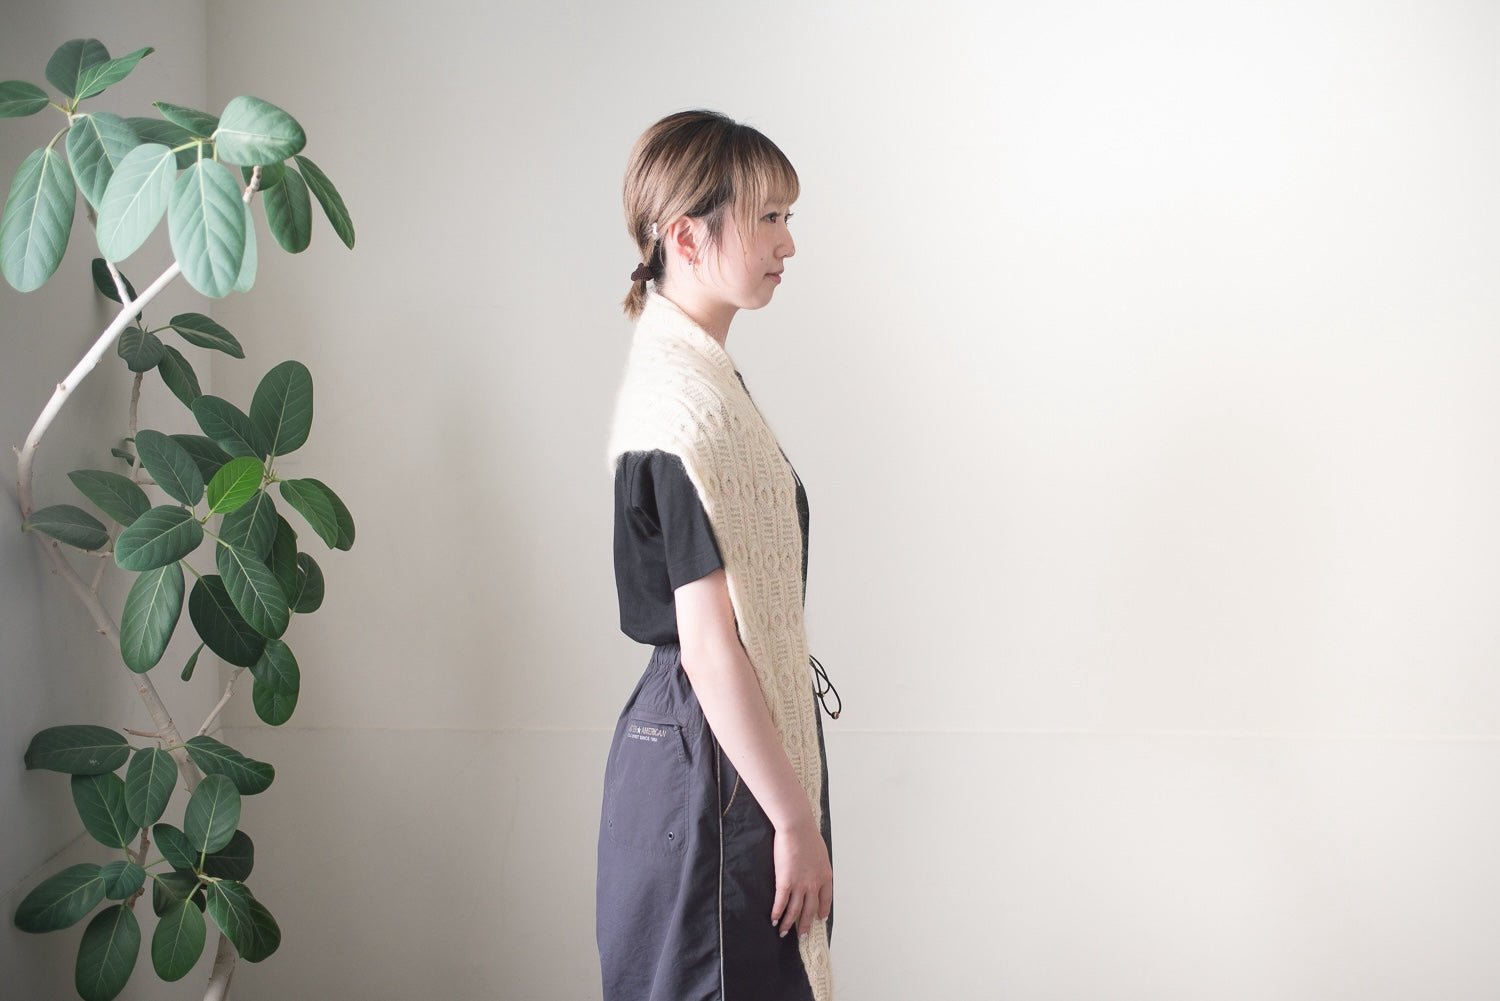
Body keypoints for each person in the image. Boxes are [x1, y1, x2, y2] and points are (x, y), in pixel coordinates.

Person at [599, 110, 836, 1001]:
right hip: (711, 751)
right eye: (768, 217)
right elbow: (706, 643)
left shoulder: (701, 383)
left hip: (715, 740)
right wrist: (794, 819)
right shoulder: (682, 409)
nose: (788, 242)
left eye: (787, 216)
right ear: (687, 236)